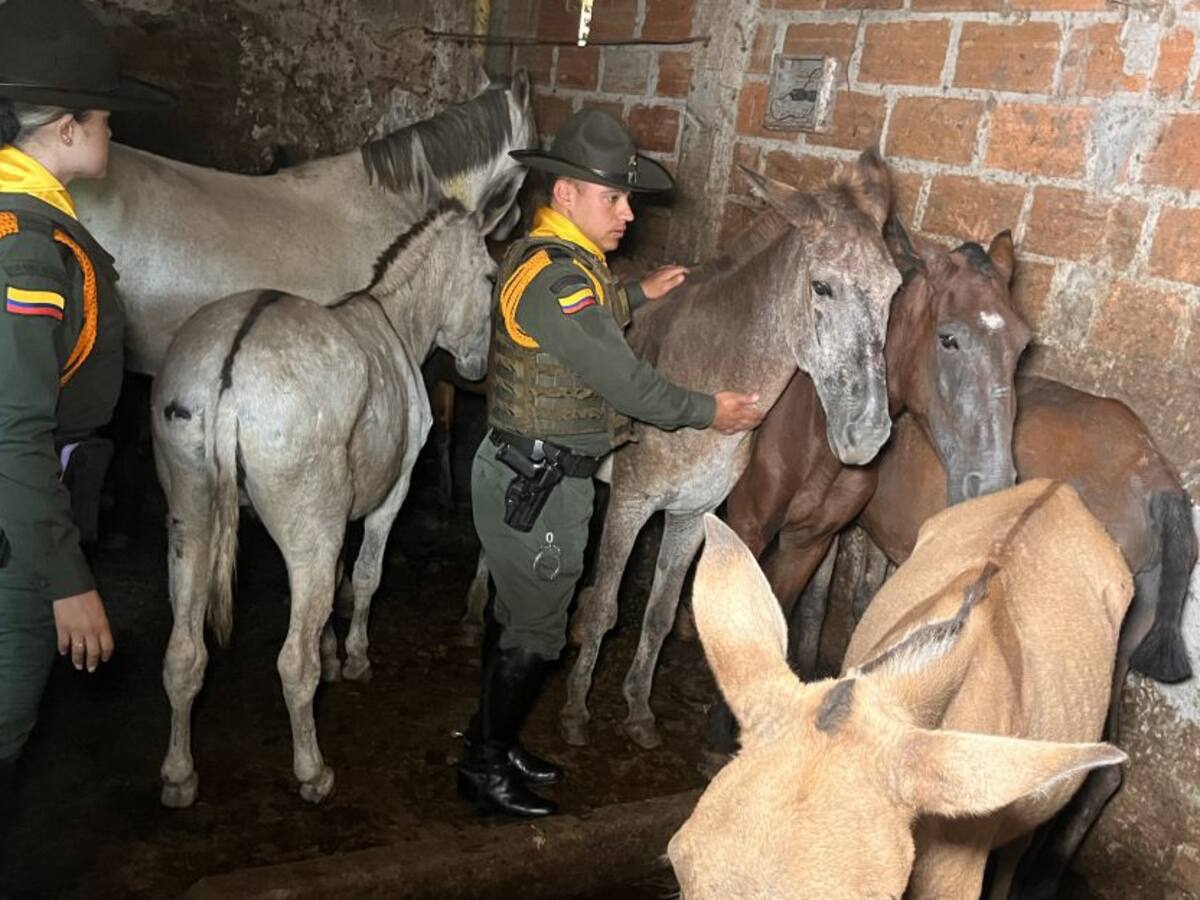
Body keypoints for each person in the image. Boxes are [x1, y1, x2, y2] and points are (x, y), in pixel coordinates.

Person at [458, 108, 763, 818]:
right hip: (538, 483)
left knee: (518, 618)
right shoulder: (557, 279)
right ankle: (481, 768)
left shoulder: (552, 259)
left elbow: (579, 319)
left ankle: (492, 741)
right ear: (567, 196)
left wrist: (636, 292)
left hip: (534, 473)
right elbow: (627, 383)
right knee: (535, 635)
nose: (628, 213)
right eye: (613, 198)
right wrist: (708, 410)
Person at [0, 0, 175, 796]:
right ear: (64, 129)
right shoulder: (28, 253)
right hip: (16, 540)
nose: (111, 130)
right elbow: (14, 436)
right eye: (103, 116)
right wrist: (66, 580)